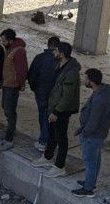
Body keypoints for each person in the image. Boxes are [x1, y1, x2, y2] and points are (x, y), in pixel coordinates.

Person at [34, 42, 80, 175]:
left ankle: (60, 166)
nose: (53, 53)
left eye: (55, 51)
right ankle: (48, 157)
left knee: (61, 138)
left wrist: (56, 112)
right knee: (52, 134)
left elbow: (67, 95)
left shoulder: (71, 72)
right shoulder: (60, 65)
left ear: (62, 54)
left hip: (62, 110)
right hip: (54, 107)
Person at [72, 69, 110, 197]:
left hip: (93, 135)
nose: (84, 81)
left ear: (91, 81)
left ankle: (88, 189)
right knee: (95, 160)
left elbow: (93, 122)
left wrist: (84, 133)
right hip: (99, 133)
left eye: (86, 79)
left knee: (90, 161)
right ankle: (90, 182)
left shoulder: (99, 99)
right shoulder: (105, 91)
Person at [27, 36, 62, 153]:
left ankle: (43, 141)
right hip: (55, 95)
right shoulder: (61, 60)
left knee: (43, 115)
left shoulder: (39, 58)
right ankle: (50, 140)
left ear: (48, 45)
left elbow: (31, 76)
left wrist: (35, 89)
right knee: (52, 117)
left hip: (41, 93)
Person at [0, 29, 28, 150]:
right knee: (6, 108)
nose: (2, 42)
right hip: (7, 84)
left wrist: (22, 84)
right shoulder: (10, 49)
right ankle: (11, 130)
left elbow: (22, 69)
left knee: (9, 111)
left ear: (10, 40)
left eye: (4, 40)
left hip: (13, 86)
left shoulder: (19, 51)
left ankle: (9, 139)